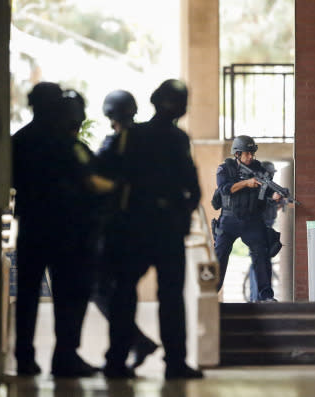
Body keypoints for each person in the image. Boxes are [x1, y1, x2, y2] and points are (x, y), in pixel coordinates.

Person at [95, 79, 203, 380]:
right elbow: (193, 188)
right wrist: (182, 216)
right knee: (169, 297)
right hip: (165, 228)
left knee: (124, 294)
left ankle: (116, 361)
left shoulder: (132, 136)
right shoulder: (178, 139)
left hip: (134, 228)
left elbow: (102, 173)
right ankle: (175, 363)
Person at [12, 83, 114, 377]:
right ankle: (65, 357)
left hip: (32, 228)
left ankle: (24, 359)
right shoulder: (68, 145)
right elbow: (94, 183)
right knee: (70, 296)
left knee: (27, 297)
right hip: (69, 232)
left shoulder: (18, 141)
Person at [90, 89, 159, 370]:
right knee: (122, 292)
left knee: (104, 291)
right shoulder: (150, 142)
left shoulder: (116, 144)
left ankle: (120, 355)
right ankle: (132, 346)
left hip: (119, 231)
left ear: (110, 116)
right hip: (145, 230)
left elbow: (96, 181)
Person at [213, 135, 282, 302]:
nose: (250, 156)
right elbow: (224, 189)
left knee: (262, 255)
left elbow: (266, 192)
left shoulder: (260, 170)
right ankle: (210, 294)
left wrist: (274, 195)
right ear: (237, 154)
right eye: (247, 153)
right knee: (220, 256)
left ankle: (266, 296)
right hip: (229, 220)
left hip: (252, 220)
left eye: (252, 153)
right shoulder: (225, 169)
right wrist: (246, 183)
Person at [247, 161, 280, 302]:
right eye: (270, 173)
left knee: (262, 261)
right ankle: (257, 297)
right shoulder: (257, 186)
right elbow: (257, 204)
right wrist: (271, 200)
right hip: (257, 227)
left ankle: (260, 296)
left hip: (265, 228)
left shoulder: (268, 187)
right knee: (259, 261)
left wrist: (278, 201)